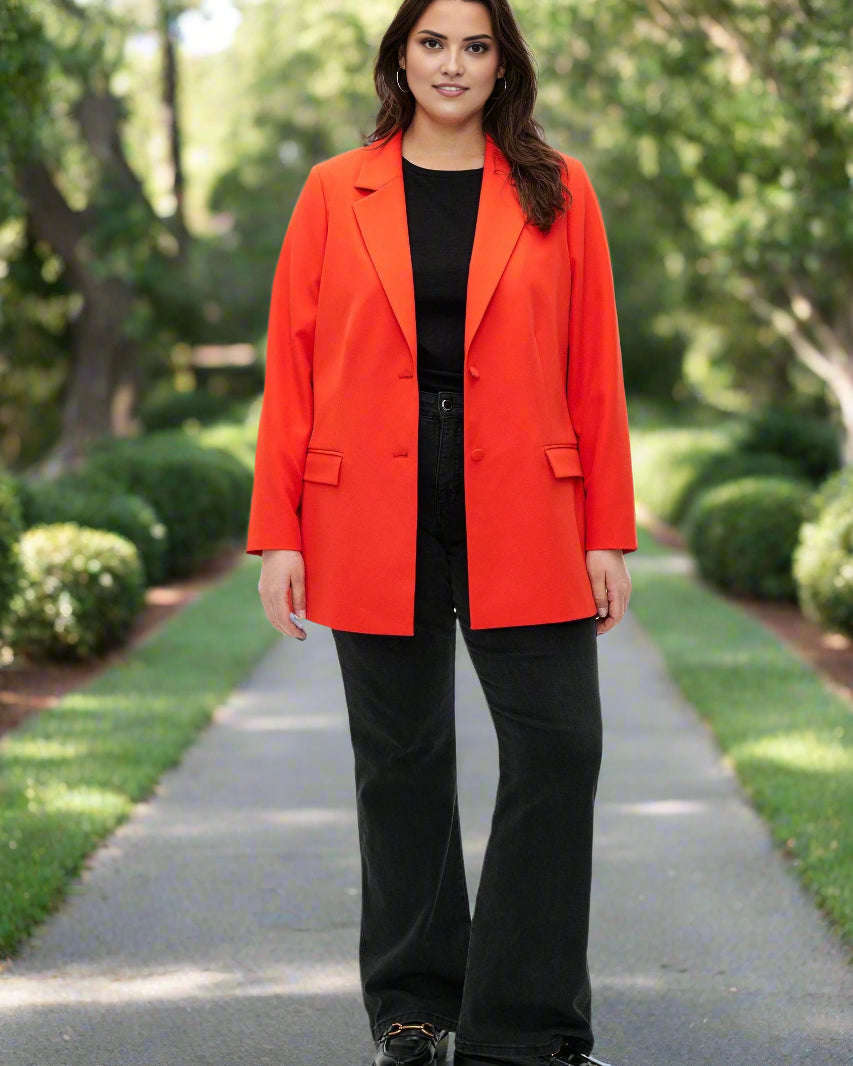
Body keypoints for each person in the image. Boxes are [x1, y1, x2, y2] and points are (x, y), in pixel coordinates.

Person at [246, 1, 637, 1063]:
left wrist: (609, 528)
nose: (452, 64)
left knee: (560, 749)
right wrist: (278, 532)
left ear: (503, 63)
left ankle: (523, 1026)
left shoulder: (560, 189)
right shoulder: (336, 190)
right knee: (402, 762)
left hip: (529, 512)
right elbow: (292, 365)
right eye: (432, 43)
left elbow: (593, 368)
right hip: (370, 512)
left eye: (475, 45)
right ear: (400, 57)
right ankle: (415, 1009)